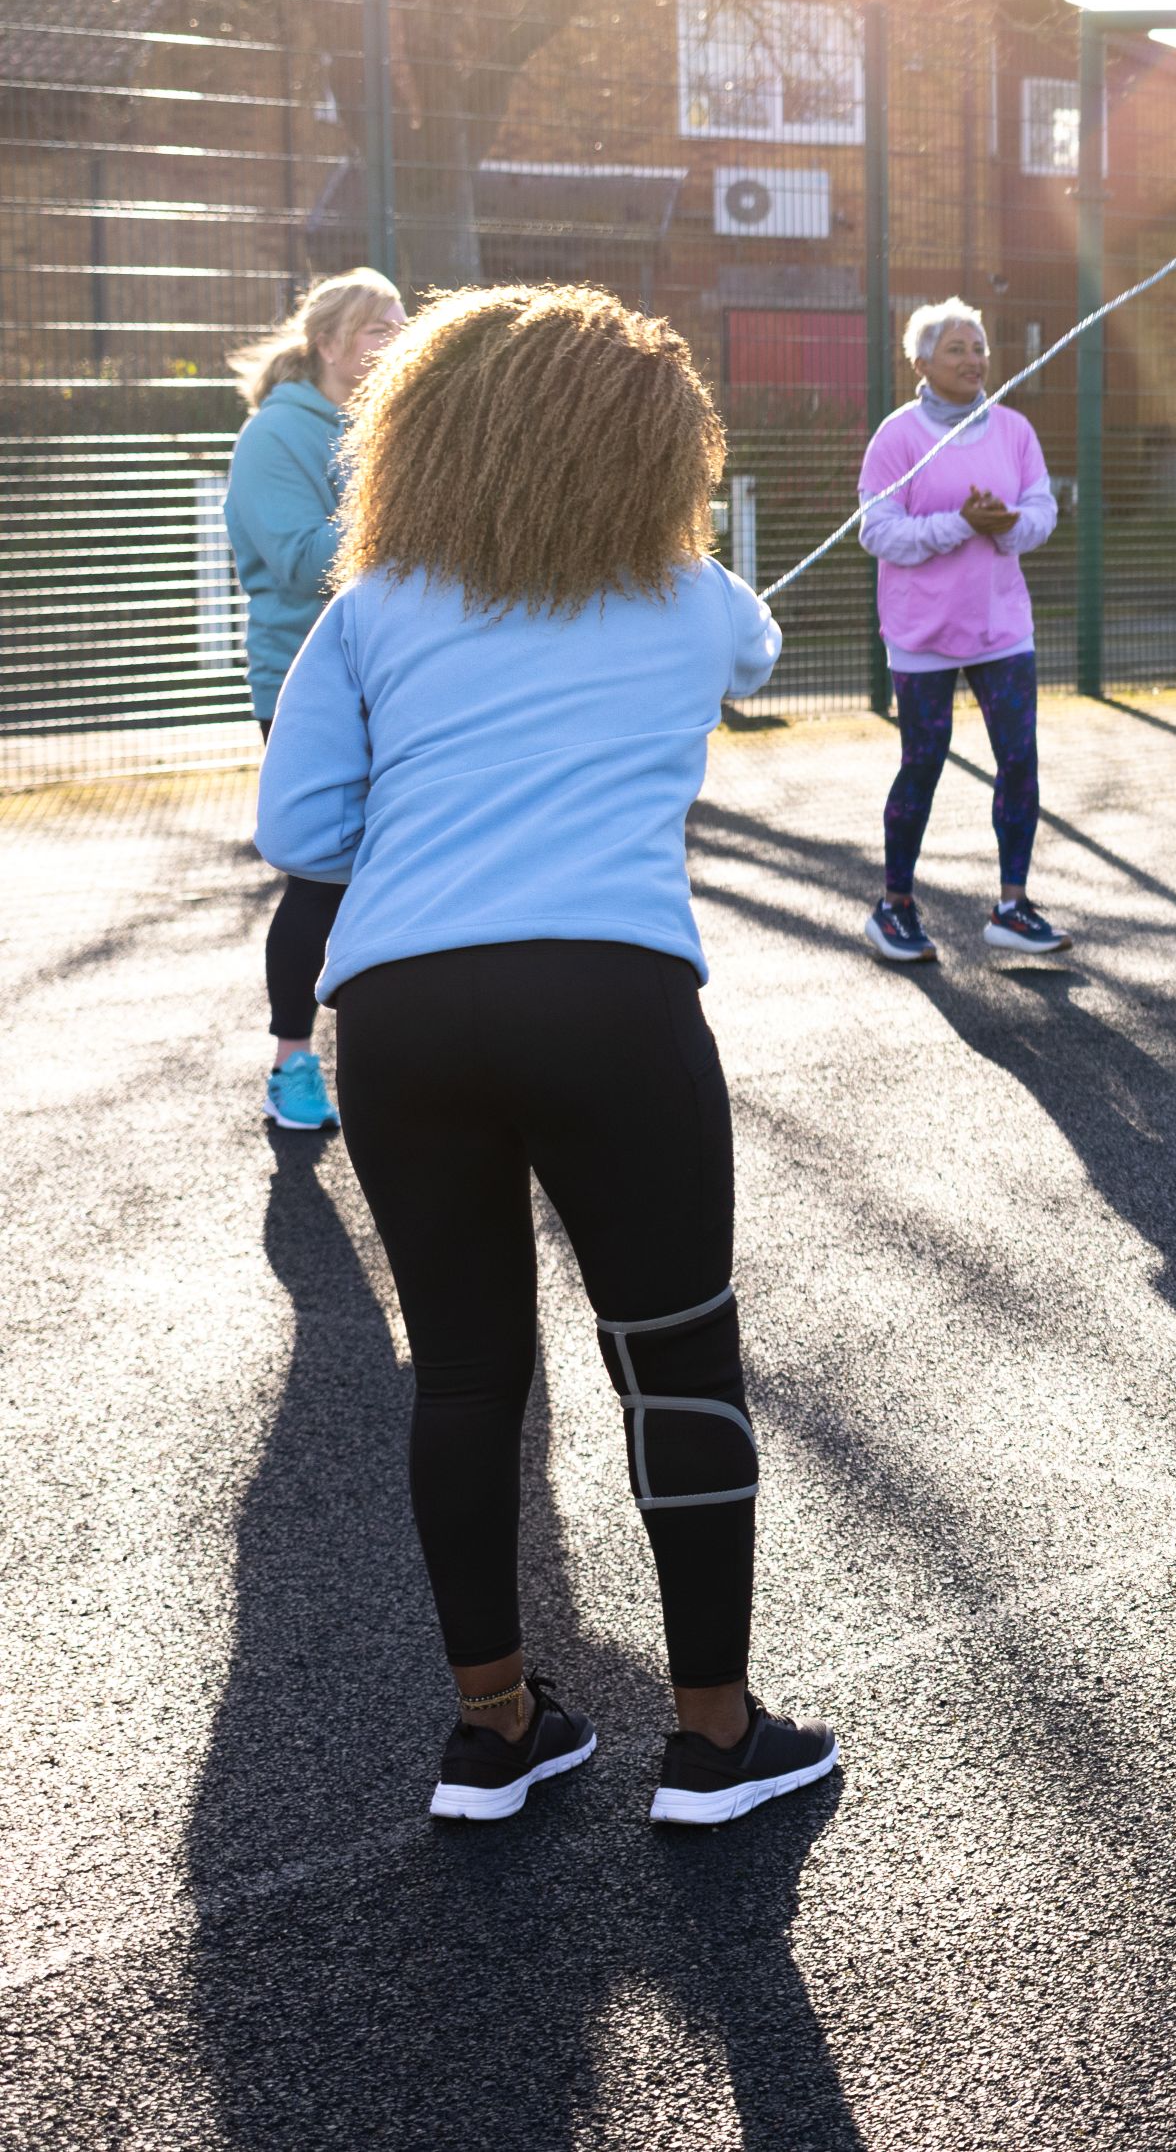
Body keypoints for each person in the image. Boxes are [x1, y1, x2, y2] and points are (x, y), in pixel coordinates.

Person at [255, 281, 837, 1823]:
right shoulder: (689, 591)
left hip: (400, 1013)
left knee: (463, 1375)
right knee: (676, 1361)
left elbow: (297, 826)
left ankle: (495, 1729)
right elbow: (761, 653)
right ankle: (712, 1738)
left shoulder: (375, 604)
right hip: (610, 1005)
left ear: (429, 431)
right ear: (656, 449)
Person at [223, 268, 402, 1129]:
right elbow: (299, 557)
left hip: (400, 676)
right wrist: (411, 512)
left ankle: (397, 1055)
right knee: (323, 878)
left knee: (403, 867)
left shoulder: (395, 429)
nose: (397, 336)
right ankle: (292, 1058)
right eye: (377, 326)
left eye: (404, 321)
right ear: (328, 342)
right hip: (304, 683)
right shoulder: (274, 437)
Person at [853, 299, 1065, 962]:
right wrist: (961, 525)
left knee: (1019, 760)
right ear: (920, 362)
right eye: (957, 350)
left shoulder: (1014, 430)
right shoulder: (898, 437)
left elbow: (1042, 510)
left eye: (979, 348)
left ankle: (1012, 906)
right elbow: (877, 530)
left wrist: (1007, 525)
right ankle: (894, 908)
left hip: (1003, 627)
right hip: (921, 634)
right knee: (923, 762)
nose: (974, 360)